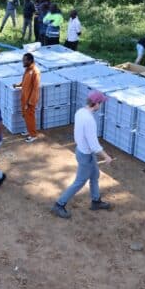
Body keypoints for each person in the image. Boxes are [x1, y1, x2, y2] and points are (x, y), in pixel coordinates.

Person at [51, 90, 114, 219]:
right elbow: (94, 145)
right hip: (87, 155)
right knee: (79, 181)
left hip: (82, 151)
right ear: (95, 104)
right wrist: (106, 156)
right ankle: (59, 204)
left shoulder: (80, 112)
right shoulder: (90, 120)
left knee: (94, 175)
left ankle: (96, 201)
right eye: (100, 103)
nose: (101, 105)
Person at [12, 53, 41, 143]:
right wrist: (18, 85)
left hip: (30, 100)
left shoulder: (35, 72)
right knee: (25, 115)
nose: (23, 62)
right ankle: (29, 130)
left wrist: (30, 102)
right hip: (25, 97)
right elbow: (24, 80)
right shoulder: (27, 70)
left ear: (30, 61)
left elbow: (35, 88)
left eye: (25, 60)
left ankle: (33, 135)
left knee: (30, 117)